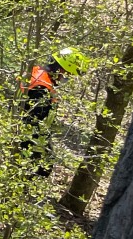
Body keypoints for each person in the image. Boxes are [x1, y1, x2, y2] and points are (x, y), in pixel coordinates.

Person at [19, 46, 88, 179]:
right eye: (67, 75)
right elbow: (31, 120)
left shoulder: (37, 73)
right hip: (28, 142)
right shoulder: (41, 87)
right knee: (39, 171)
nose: (66, 79)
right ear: (60, 69)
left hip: (31, 138)